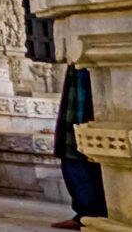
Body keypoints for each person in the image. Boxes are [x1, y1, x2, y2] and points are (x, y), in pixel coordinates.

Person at [54, 63, 105, 228]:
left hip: (90, 76)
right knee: (74, 150)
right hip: (83, 71)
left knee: (77, 152)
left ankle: (90, 213)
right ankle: (87, 213)